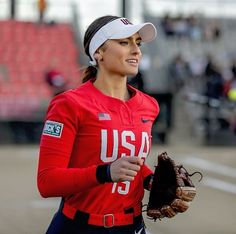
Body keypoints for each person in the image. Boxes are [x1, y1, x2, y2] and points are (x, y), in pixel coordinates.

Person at [37, 15, 158, 234]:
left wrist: (152, 180)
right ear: (98, 52)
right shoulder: (69, 104)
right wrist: (105, 172)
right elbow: (47, 182)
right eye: (124, 42)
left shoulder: (149, 105)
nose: (136, 50)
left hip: (132, 227)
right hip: (79, 227)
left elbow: (129, 161)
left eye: (137, 43)